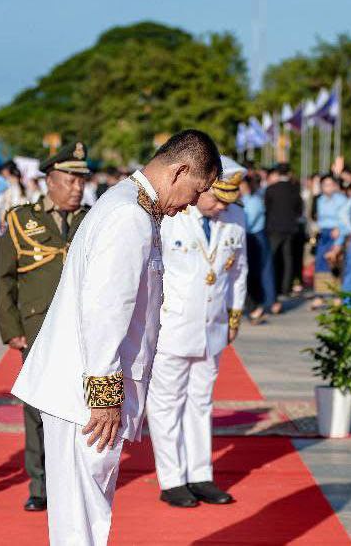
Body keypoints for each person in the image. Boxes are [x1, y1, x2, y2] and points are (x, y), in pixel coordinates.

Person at [11, 130, 221, 545]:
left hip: (85, 388)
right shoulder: (129, 216)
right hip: (85, 396)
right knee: (80, 517)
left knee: (88, 510)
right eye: (196, 190)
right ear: (178, 170)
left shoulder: (129, 204)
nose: (194, 204)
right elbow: (106, 310)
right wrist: (104, 394)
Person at [0, 141, 92, 513]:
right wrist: (11, 327)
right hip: (37, 326)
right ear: (49, 180)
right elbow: (3, 278)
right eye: (69, 179)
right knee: (37, 407)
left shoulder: (91, 218)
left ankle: (74, 479)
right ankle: (41, 484)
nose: (77, 187)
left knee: (82, 406)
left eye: (81, 180)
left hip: (82, 326)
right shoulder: (21, 219)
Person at [147, 155, 247, 509]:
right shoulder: (172, 216)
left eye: (228, 201)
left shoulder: (235, 218)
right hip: (173, 325)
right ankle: (172, 479)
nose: (221, 206)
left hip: (213, 325)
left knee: (201, 402)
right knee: (167, 403)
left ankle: (200, 474)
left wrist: (234, 315)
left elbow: (238, 271)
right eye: (216, 197)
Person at [240, 174, 279, 322]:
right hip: (249, 237)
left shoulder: (254, 201)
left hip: (256, 236)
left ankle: (267, 301)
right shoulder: (243, 200)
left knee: (263, 270)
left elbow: (248, 221)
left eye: (242, 185)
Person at [264, 163, 303, 299]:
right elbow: (299, 210)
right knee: (288, 260)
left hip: (274, 228)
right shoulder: (295, 189)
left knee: (273, 258)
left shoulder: (271, 189)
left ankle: (272, 288)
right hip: (290, 228)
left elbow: (267, 209)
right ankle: (286, 289)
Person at [310, 175, 349, 310]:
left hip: (336, 233)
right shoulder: (319, 200)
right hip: (323, 233)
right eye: (325, 185)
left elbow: (345, 218)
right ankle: (320, 295)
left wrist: (340, 230)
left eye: (330, 184)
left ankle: (337, 295)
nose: (328, 187)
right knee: (320, 263)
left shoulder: (341, 200)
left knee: (335, 264)